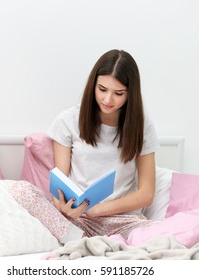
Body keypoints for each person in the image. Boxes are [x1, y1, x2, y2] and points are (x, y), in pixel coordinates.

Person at [48, 49, 159, 238]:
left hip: (123, 222)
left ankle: (95, 244)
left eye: (118, 93)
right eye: (102, 89)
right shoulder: (68, 121)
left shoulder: (143, 127)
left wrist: (99, 210)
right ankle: (87, 242)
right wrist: (63, 207)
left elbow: (146, 194)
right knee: (22, 192)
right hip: (78, 220)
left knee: (158, 236)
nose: (108, 100)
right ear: (93, 85)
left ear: (130, 94)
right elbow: (60, 185)